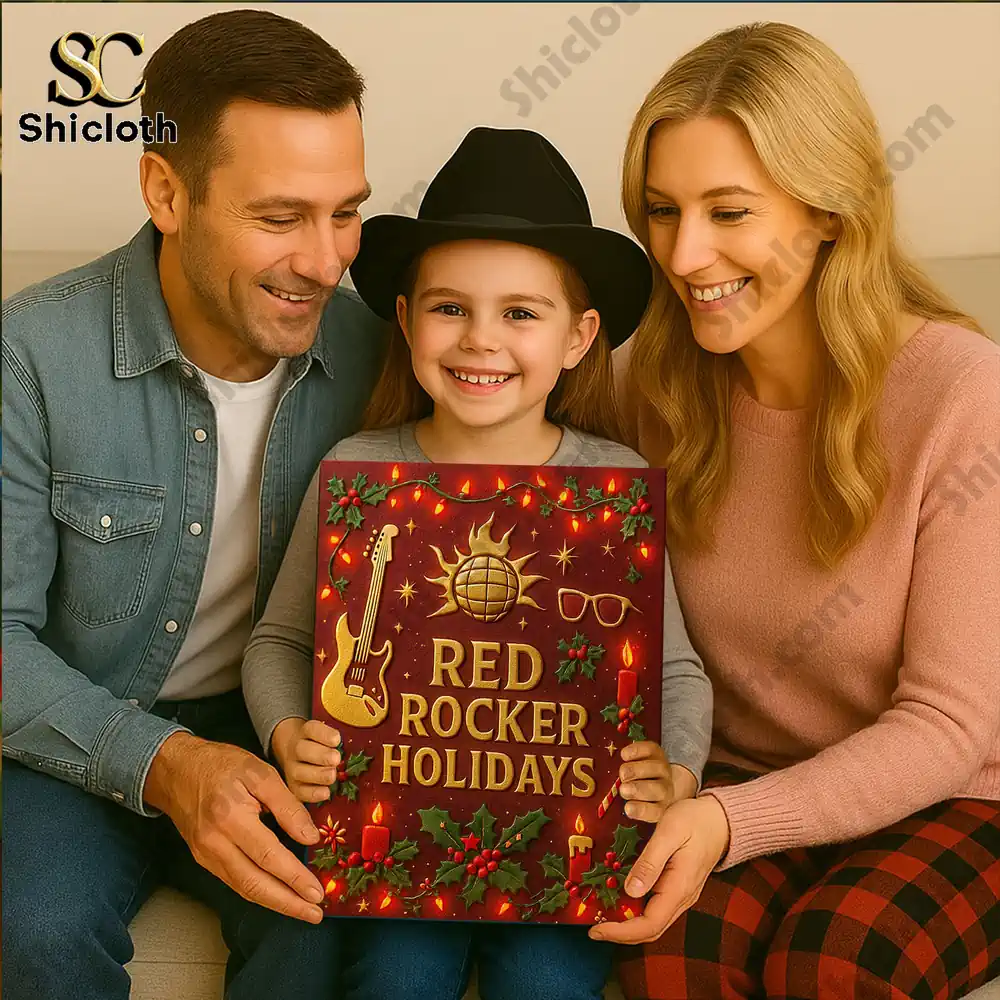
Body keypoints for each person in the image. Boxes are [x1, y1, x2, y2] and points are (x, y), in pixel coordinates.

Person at [241, 125, 714, 1000]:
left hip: (565, 846)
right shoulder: (357, 471)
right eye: (450, 308)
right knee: (396, 976)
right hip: (397, 842)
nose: (479, 341)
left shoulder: (613, 487)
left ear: (579, 337)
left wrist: (676, 772)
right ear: (406, 319)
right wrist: (285, 734)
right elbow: (280, 641)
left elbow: (675, 670)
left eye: (520, 314)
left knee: (547, 983)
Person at [585, 20, 1000, 1000]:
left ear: (829, 213)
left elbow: (948, 723)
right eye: (661, 211)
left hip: (957, 793)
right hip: (739, 781)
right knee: (664, 969)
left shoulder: (962, 393)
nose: (686, 254)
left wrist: (732, 821)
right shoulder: (642, 384)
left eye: (729, 211)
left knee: (830, 962)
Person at [1, 10, 391, 999]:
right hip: (73, 729)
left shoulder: (382, 360)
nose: (325, 261)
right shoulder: (28, 356)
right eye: (280, 217)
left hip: (277, 729)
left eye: (345, 212)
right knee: (37, 931)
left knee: (315, 923)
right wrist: (167, 762)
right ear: (165, 190)